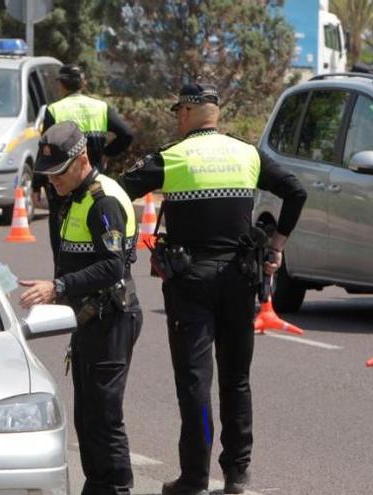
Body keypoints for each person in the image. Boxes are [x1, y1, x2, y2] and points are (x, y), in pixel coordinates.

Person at [118, 83, 308, 495]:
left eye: (178, 112)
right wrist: (277, 246)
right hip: (241, 279)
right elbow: (296, 191)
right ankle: (237, 474)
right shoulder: (248, 154)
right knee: (236, 380)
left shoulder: (172, 156)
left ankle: (195, 477)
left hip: (191, 284)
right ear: (217, 114)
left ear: (186, 113)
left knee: (195, 382)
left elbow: (118, 193)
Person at [20, 122, 142, 495]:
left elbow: (112, 265)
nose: (51, 181)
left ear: (82, 160)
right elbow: (78, 260)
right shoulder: (72, 197)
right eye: (47, 174)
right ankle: (97, 485)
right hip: (88, 317)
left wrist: (60, 286)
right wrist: (59, 290)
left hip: (111, 318)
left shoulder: (102, 200)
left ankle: (117, 488)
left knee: (104, 415)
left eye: (58, 173)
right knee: (86, 416)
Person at [33, 64, 134, 263]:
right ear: (83, 83)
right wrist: (106, 153)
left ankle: (63, 284)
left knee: (64, 247)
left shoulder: (54, 109)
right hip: (93, 181)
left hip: (62, 189)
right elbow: (127, 134)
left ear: (61, 85)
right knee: (97, 245)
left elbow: (47, 151)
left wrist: (37, 183)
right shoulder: (100, 107)